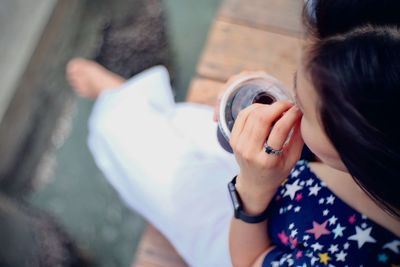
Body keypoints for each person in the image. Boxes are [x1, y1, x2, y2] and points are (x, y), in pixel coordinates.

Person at [66, 1, 400, 266]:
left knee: (137, 150)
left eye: (306, 106)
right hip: (281, 180)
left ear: (357, 147)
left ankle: (117, 105)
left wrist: (253, 192)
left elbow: (251, 260)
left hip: (249, 238)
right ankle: (132, 102)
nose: (291, 104)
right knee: (200, 127)